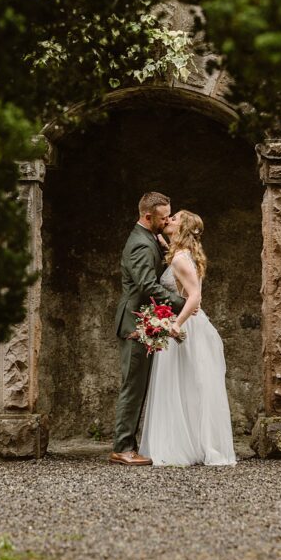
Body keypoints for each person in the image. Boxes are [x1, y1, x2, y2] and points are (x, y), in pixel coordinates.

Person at [139, 209, 236, 466]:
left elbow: (195, 297)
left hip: (187, 327)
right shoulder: (181, 253)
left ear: (182, 228)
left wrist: (175, 325)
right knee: (186, 386)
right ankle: (189, 443)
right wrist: (161, 241)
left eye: (175, 217)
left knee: (185, 385)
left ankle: (185, 446)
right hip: (187, 324)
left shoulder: (181, 258)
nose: (169, 219)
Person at [110, 192, 187, 466]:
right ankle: (122, 448)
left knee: (140, 385)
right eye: (163, 216)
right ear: (147, 216)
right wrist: (183, 302)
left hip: (145, 321)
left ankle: (130, 443)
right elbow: (146, 286)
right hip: (134, 323)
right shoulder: (140, 244)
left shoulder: (152, 237)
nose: (167, 220)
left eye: (169, 215)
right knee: (133, 386)